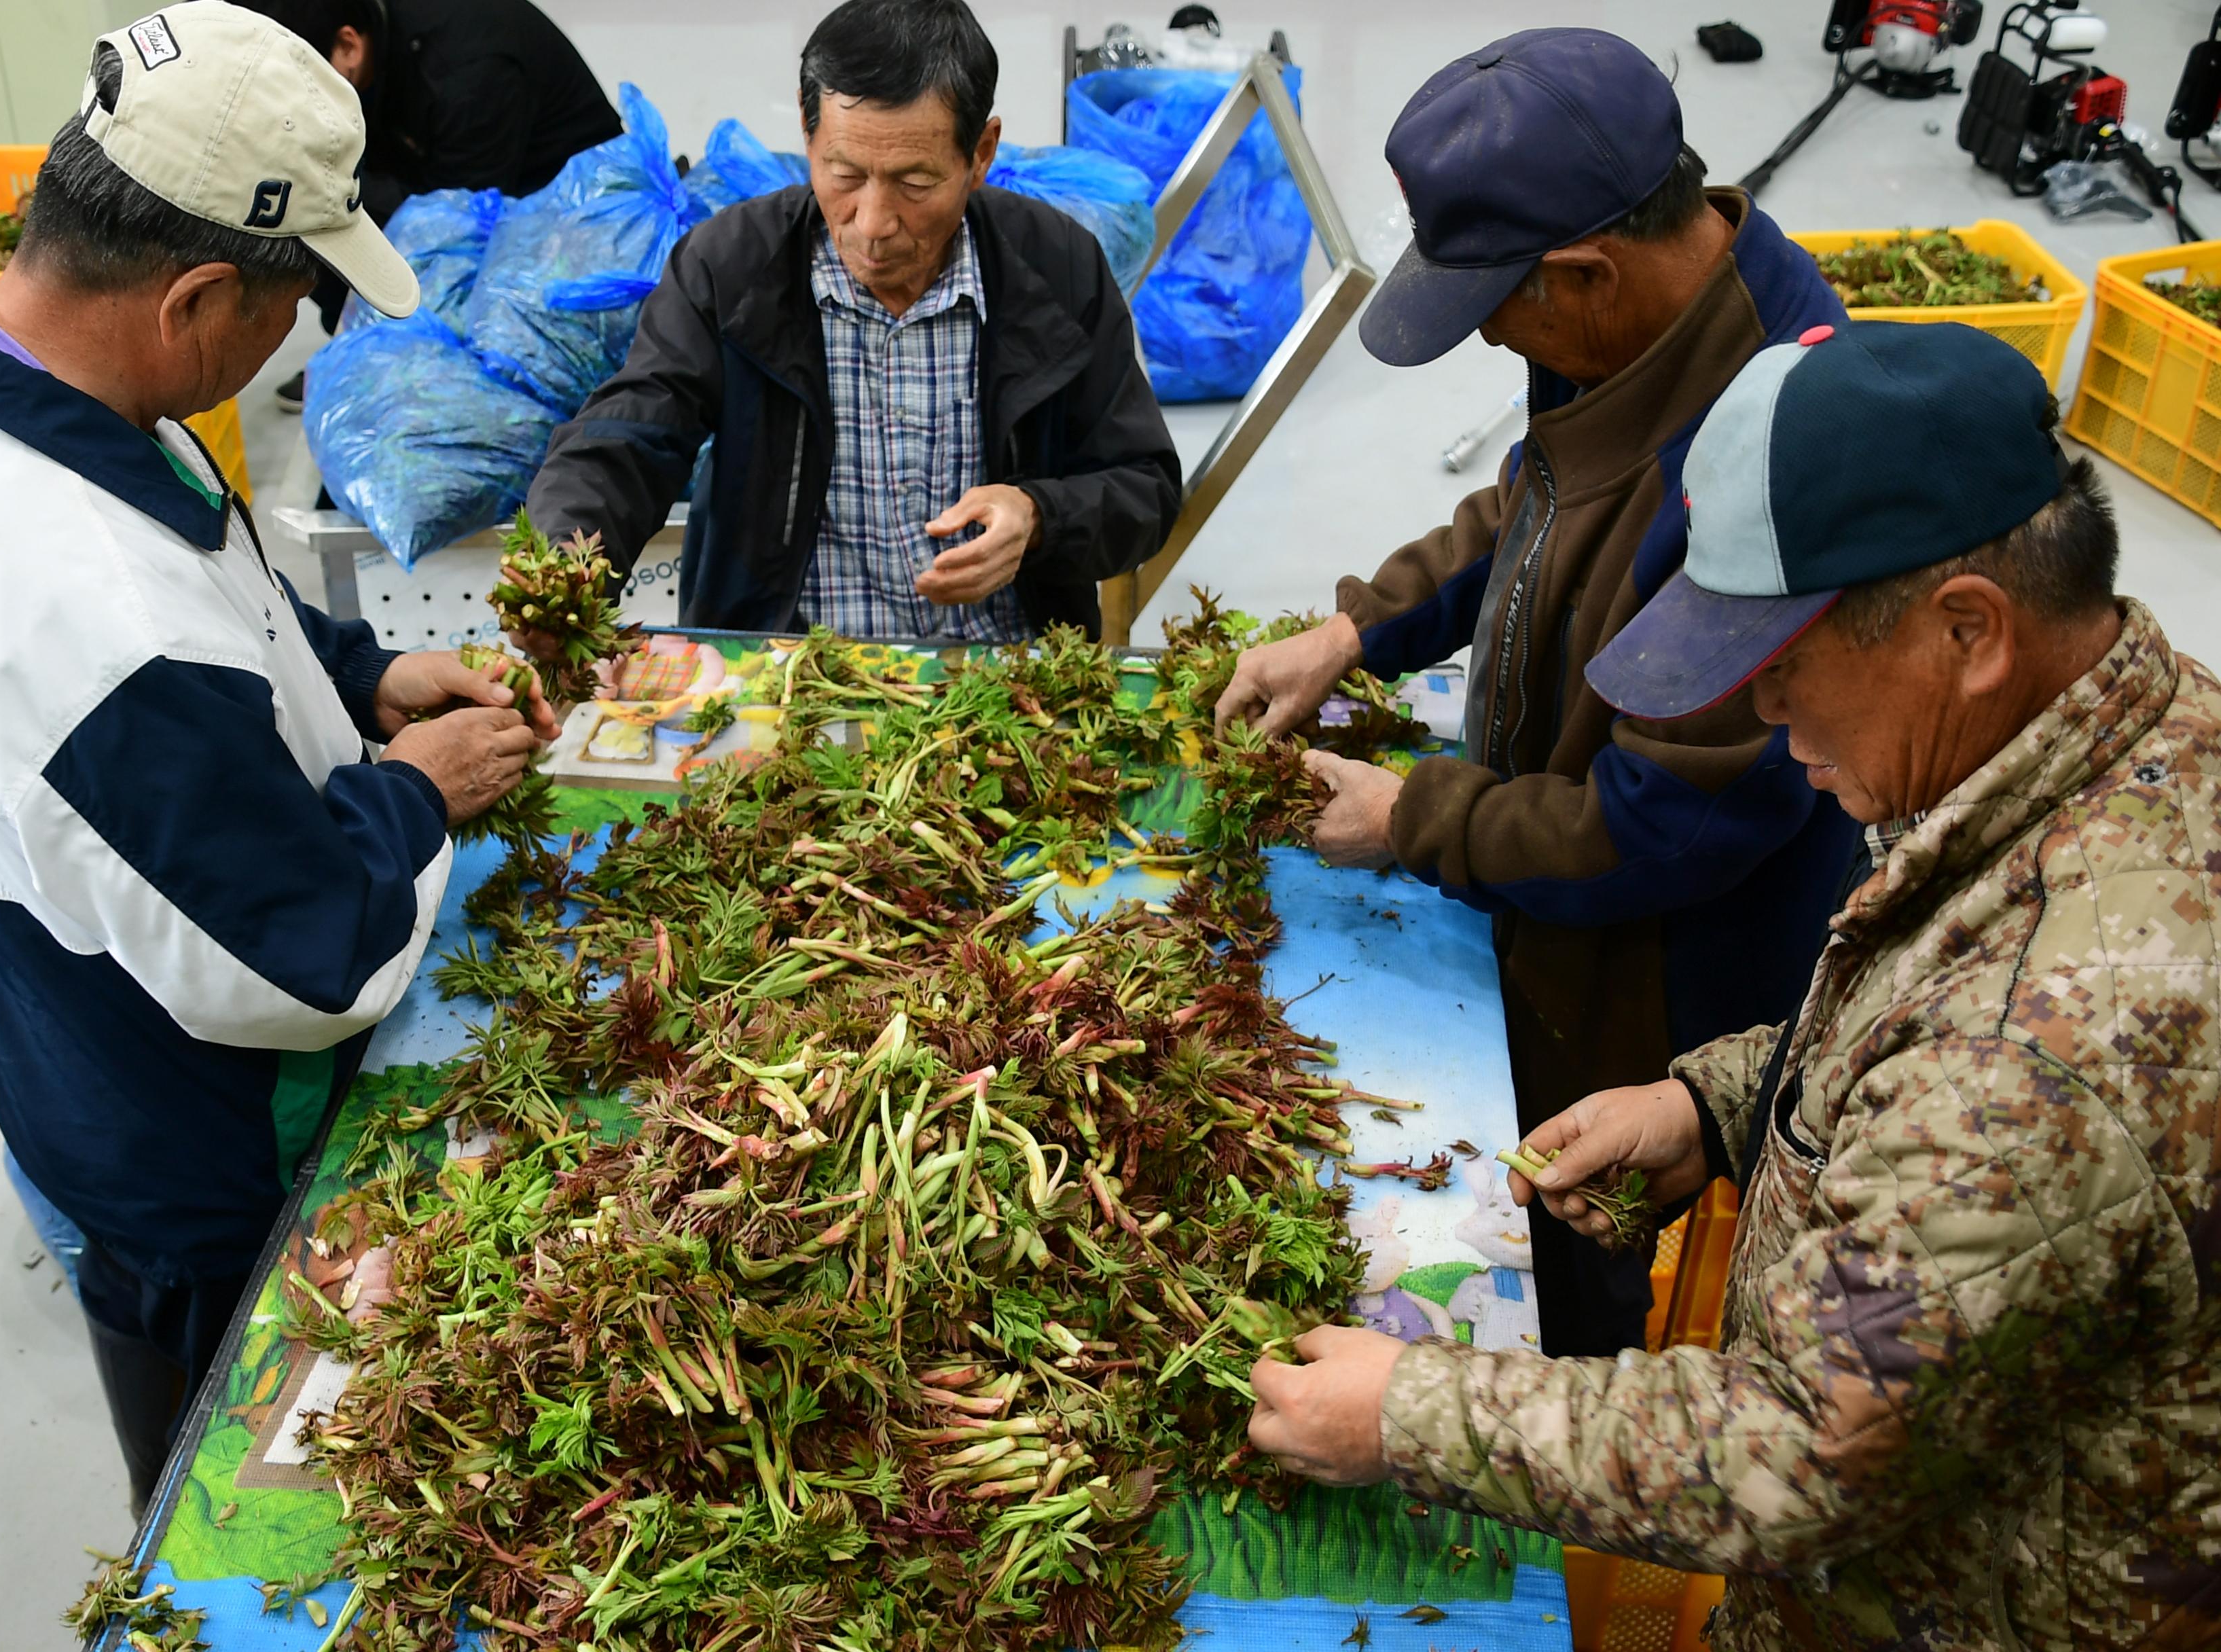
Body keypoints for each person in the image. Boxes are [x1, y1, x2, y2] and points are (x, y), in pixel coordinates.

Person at [1246, 320, 2221, 1650]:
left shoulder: (2047, 1055)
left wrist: (1410, 1411)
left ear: (1969, 631)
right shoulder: (2138, 737)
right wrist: (1716, 1102)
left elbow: (1797, 1445)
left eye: (1788, 667)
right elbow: (1926, 1026)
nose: (1763, 716)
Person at [0, 1, 557, 1514]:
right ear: (198, 295)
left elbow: (207, 590)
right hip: (189, 1123)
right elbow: (297, 968)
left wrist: (363, 676)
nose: (296, 339)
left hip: (66, 995)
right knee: (257, 1478)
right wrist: (418, 788)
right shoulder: (75, 613)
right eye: (293, 306)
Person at [1212, 29, 1856, 1357]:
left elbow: (1663, 825)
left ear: (1587, 270)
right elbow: (1538, 490)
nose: (1494, 334)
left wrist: (1414, 819)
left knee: (1601, 1251)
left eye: (1499, 303)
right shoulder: (1635, 319)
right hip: (1554, 857)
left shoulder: (1781, 453)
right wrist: (1359, 626)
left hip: (1672, 972)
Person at [520, 0, 1180, 643]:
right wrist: (561, 574)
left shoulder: (1057, 268)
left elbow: (1143, 487)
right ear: (810, 141)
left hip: (1005, 678)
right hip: (783, 683)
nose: (872, 224)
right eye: (844, 174)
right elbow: (631, 433)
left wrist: (1038, 517)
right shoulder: (731, 267)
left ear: (980, 153)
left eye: (915, 182)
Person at [242, 0, 624, 397]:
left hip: (569, 212)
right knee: (301, 201)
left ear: (348, 46)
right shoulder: (375, 38)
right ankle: (359, 349)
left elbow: (454, 230)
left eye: (297, 86)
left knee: (323, 202)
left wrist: (321, 180)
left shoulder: (467, 75)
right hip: (463, 164)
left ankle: (396, 365)